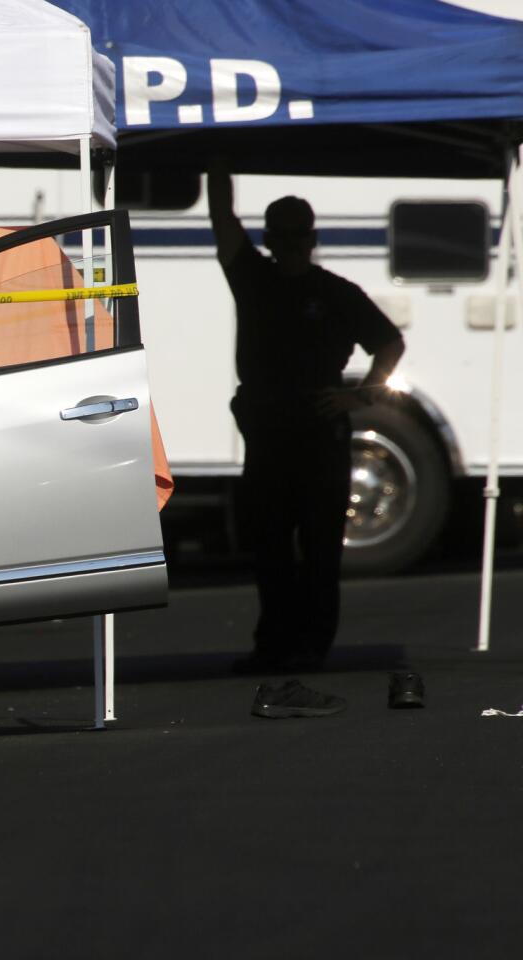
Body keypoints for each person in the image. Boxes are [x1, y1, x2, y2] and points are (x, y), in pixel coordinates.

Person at [208, 159, 405, 675]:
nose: (293, 243)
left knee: (319, 551)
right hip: (269, 434)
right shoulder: (253, 277)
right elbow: (222, 219)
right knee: (270, 548)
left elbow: (390, 343)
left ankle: (310, 648)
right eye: (284, 234)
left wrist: (359, 397)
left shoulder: (335, 292)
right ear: (270, 238)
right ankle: (272, 646)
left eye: (300, 235)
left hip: (319, 433)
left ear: (312, 237)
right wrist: (215, 160)